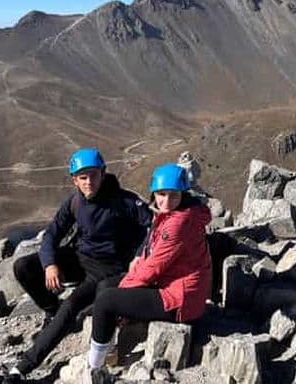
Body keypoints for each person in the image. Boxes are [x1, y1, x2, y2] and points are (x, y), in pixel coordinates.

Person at [4, 148, 152, 383]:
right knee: (24, 266)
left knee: (71, 305)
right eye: (82, 177)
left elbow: (153, 227)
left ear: (103, 173)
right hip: (80, 258)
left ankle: (22, 368)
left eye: (93, 175)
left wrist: (139, 256)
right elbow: (52, 234)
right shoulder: (75, 202)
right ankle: (53, 311)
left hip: (107, 269)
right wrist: (50, 263)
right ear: (74, 180)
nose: (88, 182)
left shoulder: (123, 200)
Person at [86, 163, 212, 382]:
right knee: (106, 286)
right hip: (174, 283)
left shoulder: (179, 222)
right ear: (154, 193)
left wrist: (123, 294)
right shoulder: (177, 212)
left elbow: (154, 267)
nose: (166, 201)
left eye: (173, 195)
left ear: (183, 193)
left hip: (180, 299)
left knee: (107, 300)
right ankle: (111, 349)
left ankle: (93, 368)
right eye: (161, 194)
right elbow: (153, 254)